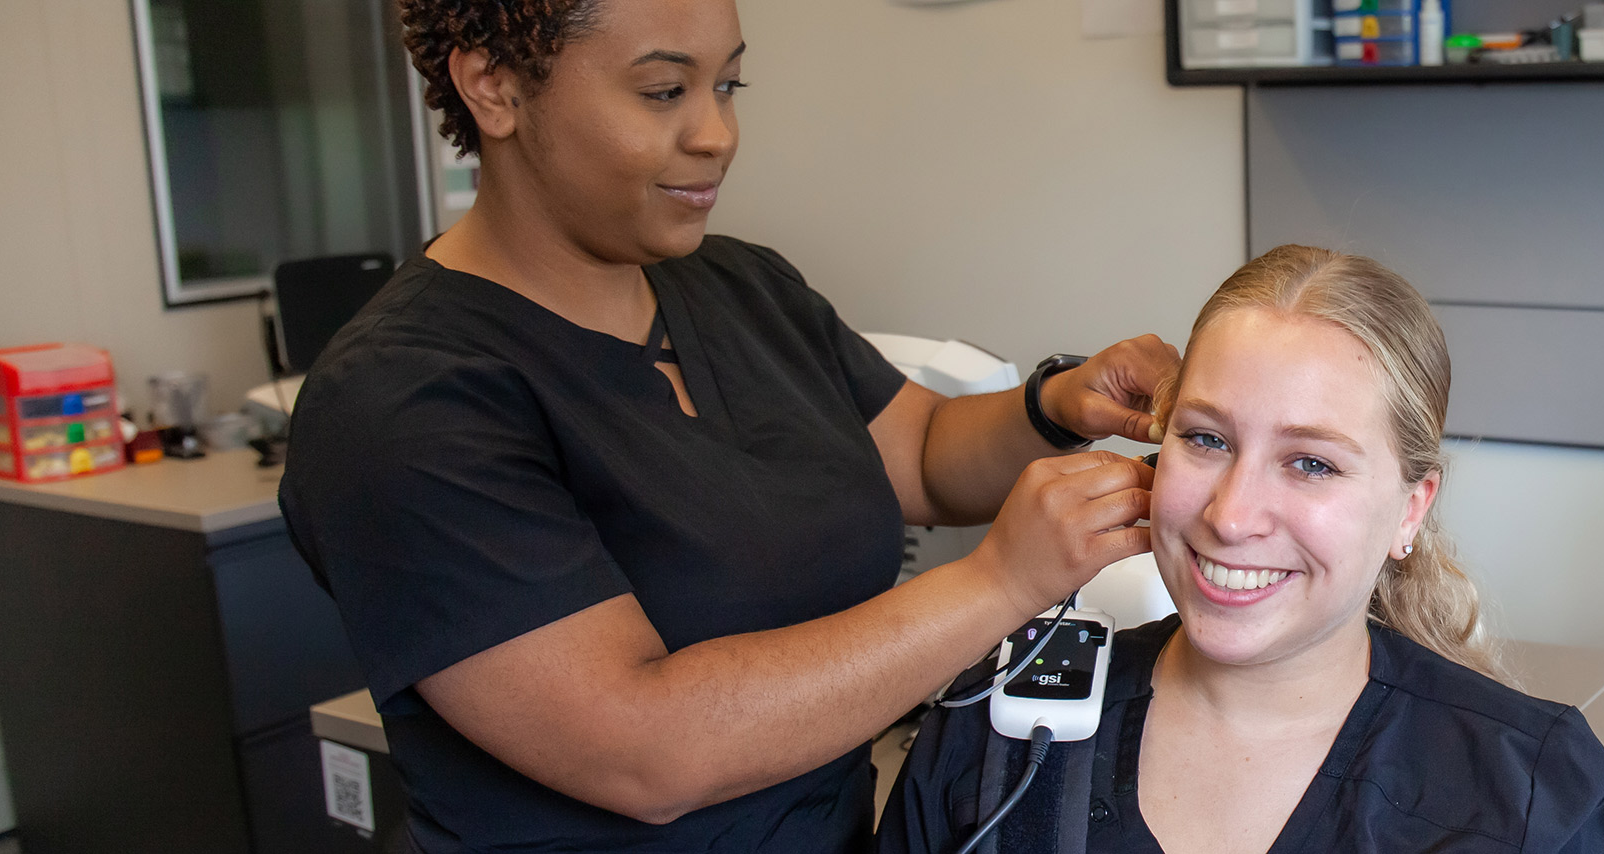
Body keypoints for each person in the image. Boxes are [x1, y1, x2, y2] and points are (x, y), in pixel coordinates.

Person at [278, 0, 1176, 850]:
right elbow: (647, 749)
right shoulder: (402, 399)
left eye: (728, 86)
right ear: (495, 87)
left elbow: (927, 459)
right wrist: (998, 583)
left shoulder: (741, 288)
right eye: (664, 91)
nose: (717, 134)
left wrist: (1055, 406)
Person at [880, 246, 1604, 853]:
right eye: (1206, 439)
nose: (1232, 516)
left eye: (1312, 462)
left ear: (1411, 510)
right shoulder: (996, 726)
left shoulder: (1536, 793)